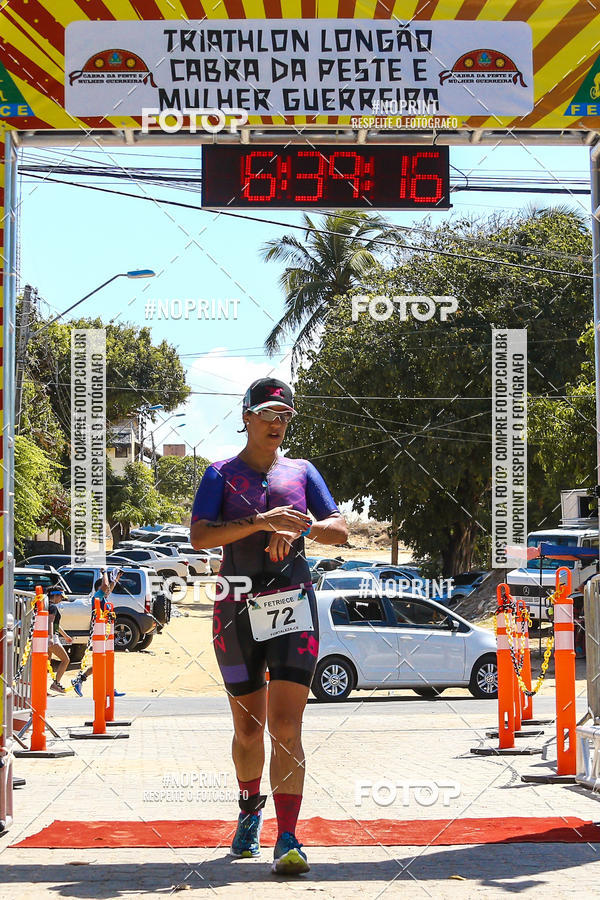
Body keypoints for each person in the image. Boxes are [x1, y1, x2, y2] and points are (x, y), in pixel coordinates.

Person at [190, 377, 347, 875]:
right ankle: (248, 811)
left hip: (292, 604)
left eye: (285, 416)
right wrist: (262, 522)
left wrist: (298, 526)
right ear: (247, 418)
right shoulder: (220, 473)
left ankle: (288, 837)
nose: (277, 423)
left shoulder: (302, 471)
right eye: (268, 414)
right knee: (248, 728)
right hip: (234, 608)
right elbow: (199, 536)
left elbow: (340, 529)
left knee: (286, 726)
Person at [72, 568, 125, 697]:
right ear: (99, 588)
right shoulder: (97, 597)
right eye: (105, 589)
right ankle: (84, 681)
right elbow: (106, 585)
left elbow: (109, 587)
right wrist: (104, 572)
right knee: (101, 660)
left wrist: (116, 579)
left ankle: (103, 686)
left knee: (103, 661)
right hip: (99, 633)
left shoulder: (103, 599)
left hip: (105, 634)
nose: (108, 590)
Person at [47, 586, 73, 694]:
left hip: (46, 637)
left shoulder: (46, 605)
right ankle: (56, 683)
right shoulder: (52, 607)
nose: (61, 599)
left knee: (46, 664)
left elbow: (55, 624)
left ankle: (40, 688)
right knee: (65, 660)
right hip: (51, 637)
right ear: (56, 595)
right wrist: (51, 637)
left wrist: (65, 636)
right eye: (61, 597)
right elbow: (50, 622)